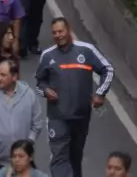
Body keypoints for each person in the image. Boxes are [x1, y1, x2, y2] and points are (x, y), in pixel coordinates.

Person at [36, 17, 114, 177]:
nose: (58, 35)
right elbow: (39, 82)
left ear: (68, 30)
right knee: (59, 158)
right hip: (57, 116)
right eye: (54, 33)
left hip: (81, 115)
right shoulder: (47, 55)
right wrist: (45, 91)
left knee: (75, 157)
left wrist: (100, 93)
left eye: (61, 31)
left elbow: (108, 69)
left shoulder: (86, 50)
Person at [0, 60, 45, 177]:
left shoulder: (28, 95)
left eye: (3, 75)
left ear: (14, 77)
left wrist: (29, 142)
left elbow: (37, 123)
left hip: (21, 163)